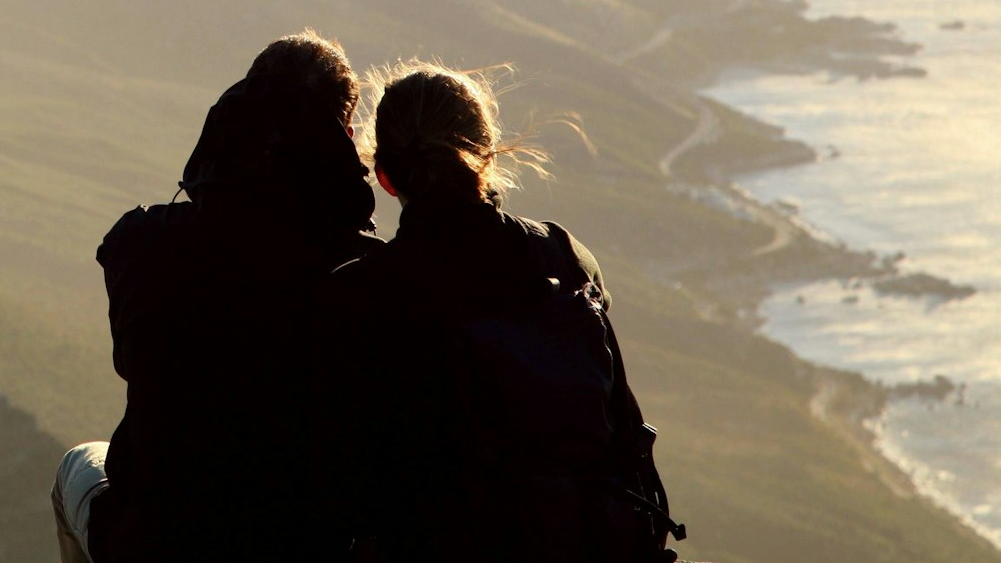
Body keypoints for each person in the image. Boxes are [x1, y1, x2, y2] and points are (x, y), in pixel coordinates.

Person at [52, 30, 379, 563]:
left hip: (156, 538)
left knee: (76, 467)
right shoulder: (369, 273)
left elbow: (131, 361)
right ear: (342, 134)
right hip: (302, 544)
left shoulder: (141, 242)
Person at [337, 62, 683, 563]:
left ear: (386, 177)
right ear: (487, 157)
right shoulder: (564, 258)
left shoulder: (362, 294)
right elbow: (622, 433)